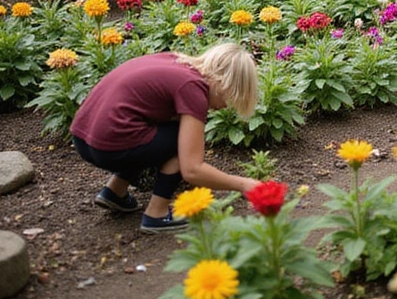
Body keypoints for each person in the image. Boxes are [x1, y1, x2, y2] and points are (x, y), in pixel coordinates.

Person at [70, 43, 260, 233]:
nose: (227, 105)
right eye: (231, 96)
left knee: (149, 132)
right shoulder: (193, 88)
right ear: (224, 82)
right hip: (109, 149)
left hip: (82, 137)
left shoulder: (176, 62)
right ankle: (156, 214)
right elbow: (192, 170)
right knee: (181, 141)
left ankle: (114, 191)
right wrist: (243, 184)